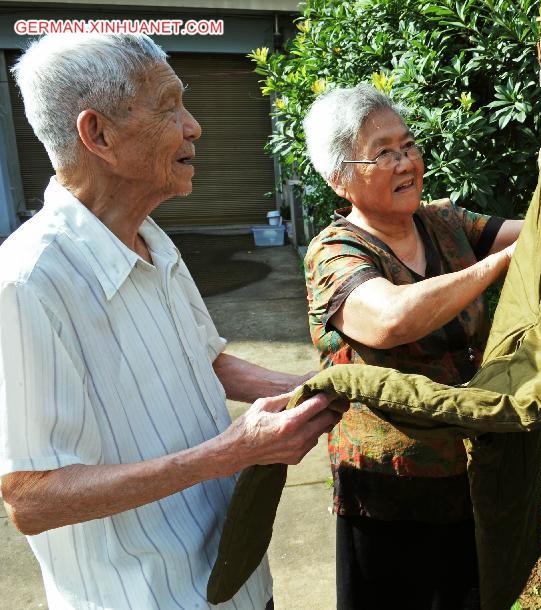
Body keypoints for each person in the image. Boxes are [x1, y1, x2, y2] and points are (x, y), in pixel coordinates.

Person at [0, 34, 345, 610]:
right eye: (168, 105)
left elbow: (204, 359)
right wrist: (230, 453)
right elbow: (33, 500)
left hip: (232, 580)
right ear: (99, 135)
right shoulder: (28, 283)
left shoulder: (151, 239)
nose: (194, 127)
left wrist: (319, 390)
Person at [302, 83, 524, 609]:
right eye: (384, 153)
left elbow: (531, 232)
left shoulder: (444, 223)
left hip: (468, 473)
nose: (406, 163)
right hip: (387, 492)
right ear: (340, 179)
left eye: (408, 146)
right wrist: (495, 265)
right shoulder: (335, 253)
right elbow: (390, 319)